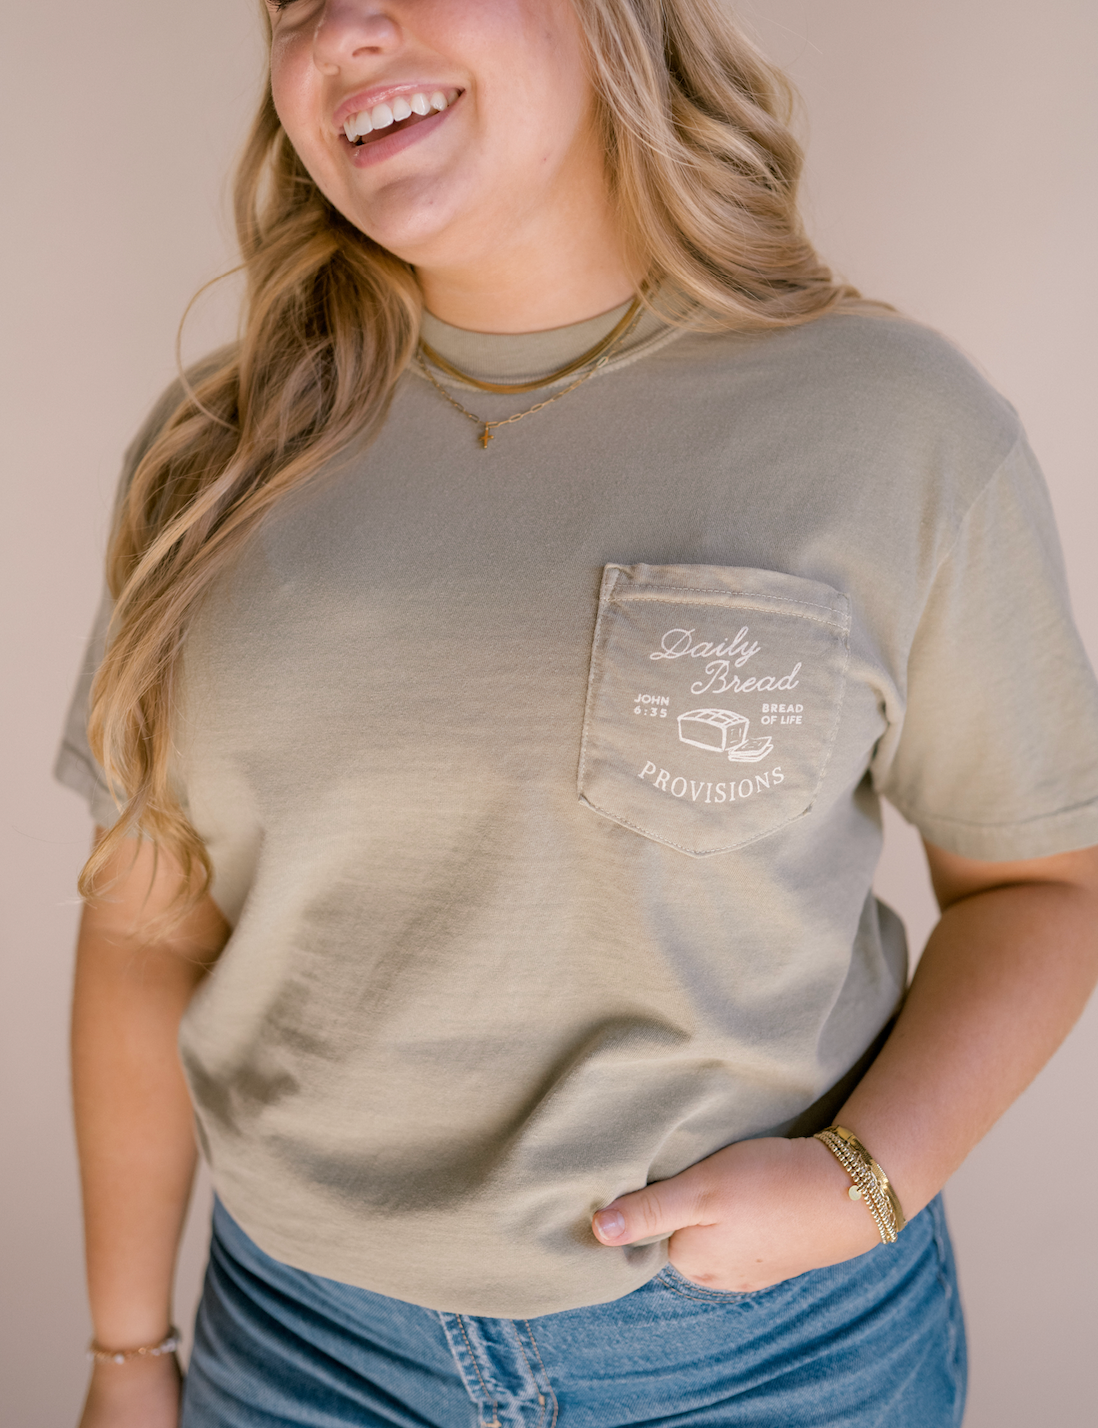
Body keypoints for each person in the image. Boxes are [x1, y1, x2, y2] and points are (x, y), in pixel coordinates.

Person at [57, 2, 1098, 1425]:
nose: (343, 29)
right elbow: (143, 930)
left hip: (768, 1360)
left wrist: (864, 1181)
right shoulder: (217, 460)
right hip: (302, 1353)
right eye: (292, 2)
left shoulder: (895, 425)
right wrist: (127, 1354)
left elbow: (1042, 885)